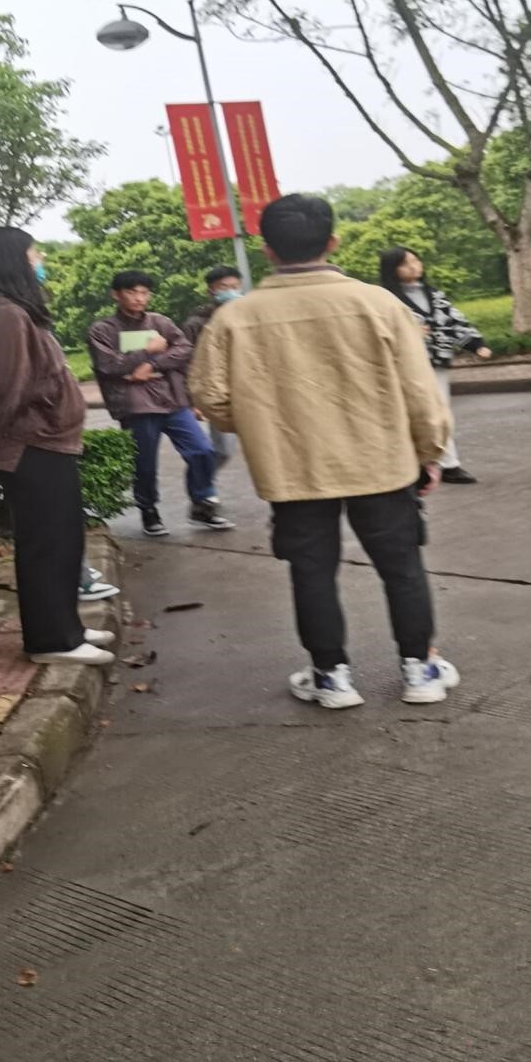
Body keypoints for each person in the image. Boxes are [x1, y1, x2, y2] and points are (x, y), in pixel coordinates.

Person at [191, 194, 459, 709]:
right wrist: (430, 452)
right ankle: (420, 670)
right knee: (402, 566)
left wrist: (261, 423)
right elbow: (420, 393)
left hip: (292, 468)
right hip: (382, 462)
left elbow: (212, 398)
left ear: (268, 250)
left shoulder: (233, 319)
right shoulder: (379, 304)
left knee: (311, 570)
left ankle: (330, 677)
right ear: (332, 242)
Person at [0, 228, 115, 667]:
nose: (40, 259)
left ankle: (66, 628)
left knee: (62, 538)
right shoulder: (5, 314)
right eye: (34, 253)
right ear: (11, 260)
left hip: (44, 442)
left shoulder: (7, 310)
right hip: (31, 443)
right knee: (47, 543)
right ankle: (50, 640)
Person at [88, 270, 234, 537]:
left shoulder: (160, 322)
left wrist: (152, 364)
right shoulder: (103, 329)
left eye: (144, 292)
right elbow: (108, 364)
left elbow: (184, 349)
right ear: (116, 295)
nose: (139, 298)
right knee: (144, 463)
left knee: (202, 450)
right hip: (136, 405)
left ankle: (202, 502)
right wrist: (148, 351)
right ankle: (148, 509)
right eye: (132, 292)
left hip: (172, 401)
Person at [378, 247, 492, 484]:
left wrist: (476, 344)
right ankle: (422, 463)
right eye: (405, 263)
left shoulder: (434, 295)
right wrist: (409, 332)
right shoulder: (385, 299)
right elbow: (378, 329)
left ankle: (447, 463)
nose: (414, 266)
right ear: (392, 269)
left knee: (439, 411)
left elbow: (454, 322)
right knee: (413, 413)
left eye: (416, 260)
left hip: (437, 362)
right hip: (405, 365)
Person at [182, 265, 243, 468]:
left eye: (235, 286)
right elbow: (187, 362)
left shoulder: (247, 316)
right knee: (223, 450)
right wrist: (193, 400)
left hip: (247, 389)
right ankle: (202, 482)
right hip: (216, 392)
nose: (231, 292)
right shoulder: (197, 323)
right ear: (211, 291)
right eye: (224, 287)